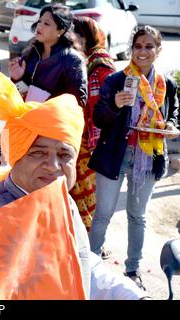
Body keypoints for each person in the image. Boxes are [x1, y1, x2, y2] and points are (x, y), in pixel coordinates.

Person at [0, 68, 149, 300]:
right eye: (38, 153)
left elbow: (83, 265)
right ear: (16, 156)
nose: (52, 165)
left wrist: (136, 297)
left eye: (64, 155)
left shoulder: (63, 202)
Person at [88, 25, 179, 290]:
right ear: (131, 49)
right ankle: (91, 266)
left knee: (137, 216)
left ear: (158, 50)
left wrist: (172, 127)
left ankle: (133, 270)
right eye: (138, 46)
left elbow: (172, 114)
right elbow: (99, 118)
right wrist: (116, 104)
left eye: (149, 46)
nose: (142, 51)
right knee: (103, 213)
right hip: (114, 154)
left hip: (149, 157)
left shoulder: (166, 84)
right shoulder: (116, 80)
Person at [70, 17, 116, 236]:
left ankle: (90, 238)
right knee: (78, 188)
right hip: (80, 136)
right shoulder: (86, 59)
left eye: (76, 33)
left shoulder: (100, 64)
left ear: (86, 37)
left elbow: (103, 104)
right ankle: (82, 236)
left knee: (88, 191)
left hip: (92, 141)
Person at [8, 3, 87, 108]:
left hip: (51, 121)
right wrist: (17, 79)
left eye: (46, 23)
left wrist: (45, 103)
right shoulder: (31, 53)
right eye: (40, 21)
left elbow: (78, 101)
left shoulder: (73, 60)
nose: (39, 26)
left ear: (60, 31)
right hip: (26, 117)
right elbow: (22, 91)